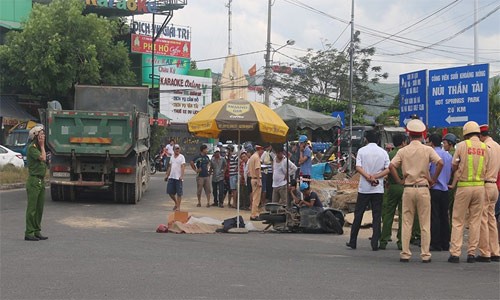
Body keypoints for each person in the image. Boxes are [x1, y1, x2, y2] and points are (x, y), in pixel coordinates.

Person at [389, 119, 443, 263]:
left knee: (407, 222)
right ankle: (425, 254)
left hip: (408, 188)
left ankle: (405, 253)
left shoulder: (403, 150)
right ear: (422, 134)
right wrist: (433, 179)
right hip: (423, 188)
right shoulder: (427, 149)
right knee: (425, 223)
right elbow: (440, 163)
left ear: (409, 135)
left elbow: (391, 166)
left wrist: (399, 180)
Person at [448, 121, 490, 263]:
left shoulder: (461, 146)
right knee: (475, 221)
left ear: (465, 133)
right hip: (480, 188)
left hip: (464, 187)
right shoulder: (486, 147)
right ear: (478, 132)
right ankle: (471, 253)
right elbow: (488, 167)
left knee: (458, 220)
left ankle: (455, 253)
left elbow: (454, 165)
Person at [346, 130, 390, 251]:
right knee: (377, 215)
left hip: (364, 188)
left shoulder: (362, 151)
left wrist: (368, 177)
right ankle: (375, 242)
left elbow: (358, 167)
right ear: (378, 140)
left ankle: (353, 241)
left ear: (366, 139)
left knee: (358, 214)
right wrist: (375, 177)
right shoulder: (383, 152)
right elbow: (388, 169)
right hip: (378, 188)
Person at [379, 133, 407, 250]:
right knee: (403, 215)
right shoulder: (407, 154)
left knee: (388, 214)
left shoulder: (389, 154)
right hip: (405, 187)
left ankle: (384, 240)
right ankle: (401, 242)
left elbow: (386, 170)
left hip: (392, 187)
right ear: (404, 142)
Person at [477, 124, 500, 262]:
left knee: (483, 219)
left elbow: (482, 167)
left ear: (480, 135)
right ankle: (495, 251)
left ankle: (485, 252)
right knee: (492, 219)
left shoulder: (485, 147)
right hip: (495, 186)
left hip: (485, 184)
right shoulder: (498, 146)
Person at [428, 134, 452, 252]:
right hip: (445, 190)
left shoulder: (431, 155)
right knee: (444, 216)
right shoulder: (448, 156)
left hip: (435, 188)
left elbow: (427, 170)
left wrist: (432, 180)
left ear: (431, 143)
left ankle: (435, 243)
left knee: (434, 216)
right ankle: (445, 243)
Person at [24, 124, 48, 241]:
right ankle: (29, 232)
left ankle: (37, 231)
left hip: (41, 180)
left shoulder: (38, 148)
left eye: (43, 134)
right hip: (34, 180)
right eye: (41, 134)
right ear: (35, 136)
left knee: (39, 208)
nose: (43, 136)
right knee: (32, 209)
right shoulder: (32, 148)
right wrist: (43, 146)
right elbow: (43, 158)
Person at [442, 133, 458, 228]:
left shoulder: (450, 155)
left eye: (444, 143)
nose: (443, 145)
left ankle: (448, 231)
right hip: (456, 185)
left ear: (450, 143)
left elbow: (453, 170)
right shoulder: (456, 153)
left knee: (446, 209)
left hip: (450, 185)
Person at [165, 144, 185, 211]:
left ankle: (178, 207)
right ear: (173, 150)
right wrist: (167, 175)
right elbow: (170, 166)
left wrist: (182, 176)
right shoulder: (172, 157)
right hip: (171, 177)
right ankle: (176, 203)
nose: (177, 150)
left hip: (178, 178)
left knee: (179, 193)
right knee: (170, 192)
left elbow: (183, 166)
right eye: (176, 149)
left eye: (178, 149)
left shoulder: (181, 157)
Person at [249, 144, 264, 221]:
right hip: (256, 178)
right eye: (262, 150)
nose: (262, 152)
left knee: (255, 197)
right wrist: (259, 180)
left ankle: (254, 213)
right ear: (260, 149)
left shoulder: (252, 157)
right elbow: (257, 169)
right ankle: (254, 215)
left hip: (252, 178)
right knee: (256, 198)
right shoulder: (256, 157)